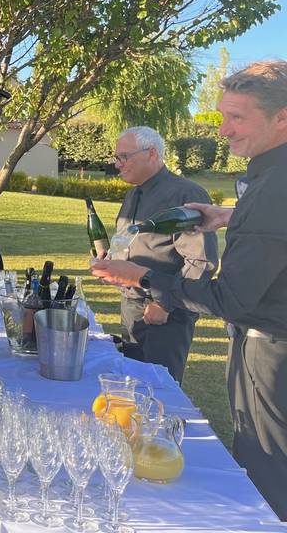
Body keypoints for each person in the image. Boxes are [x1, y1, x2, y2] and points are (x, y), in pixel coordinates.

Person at [90, 61, 287, 520]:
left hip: (270, 354)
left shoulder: (273, 183)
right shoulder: (267, 178)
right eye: (223, 116)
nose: (223, 130)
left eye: (237, 117)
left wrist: (142, 279)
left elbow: (231, 299)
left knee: (267, 483)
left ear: (282, 117)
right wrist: (232, 216)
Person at [108, 126, 218, 383]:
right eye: (116, 157)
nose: (117, 164)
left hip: (166, 315)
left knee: (159, 395)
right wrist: (111, 261)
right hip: (132, 307)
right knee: (131, 390)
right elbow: (132, 241)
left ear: (152, 153)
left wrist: (164, 304)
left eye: (124, 157)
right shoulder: (133, 194)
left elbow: (200, 261)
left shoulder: (185, 195)